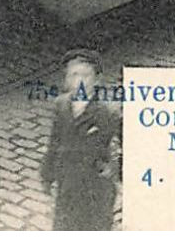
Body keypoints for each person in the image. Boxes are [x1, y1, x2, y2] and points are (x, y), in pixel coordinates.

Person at [41, 50, 119, 230]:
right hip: (68, 184)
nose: (80, 81)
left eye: (86, 75)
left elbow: (120, 146)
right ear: (66, 80)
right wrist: (47, 175)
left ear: (97, 80)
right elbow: (54, 142)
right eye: (74, 75)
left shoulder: (107, 112)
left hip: (95, 188)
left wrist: (113, 167)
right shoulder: (61, 105)